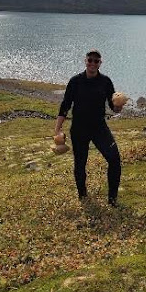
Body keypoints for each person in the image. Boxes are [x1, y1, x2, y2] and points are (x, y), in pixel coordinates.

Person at [54, 49, 123, 206]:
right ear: (85, 61)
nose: (92, 63)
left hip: (99, 128)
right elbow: (65, 106)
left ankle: (112, 200)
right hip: (79, 129)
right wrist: (57, 130)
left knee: (114, 160)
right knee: (80, 164)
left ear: (100, 63)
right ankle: (83, 197)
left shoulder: (106, 82)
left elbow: (113, 106)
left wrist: (119, 106)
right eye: (90, 60)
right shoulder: (75, 81)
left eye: (96, 61)